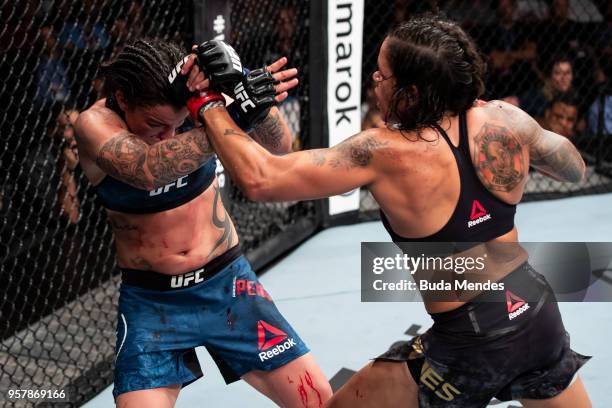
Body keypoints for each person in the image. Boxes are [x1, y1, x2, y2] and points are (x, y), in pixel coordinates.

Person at [198, 16, 592, 407]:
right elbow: (574, 169)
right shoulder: (504, 119)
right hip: (536, 311)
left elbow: (260, 178)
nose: (375, 79)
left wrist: (209, 104)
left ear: (412, 91)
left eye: (383, 75)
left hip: (470, 340)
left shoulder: (384, 151)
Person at [74, 38, 331, 407]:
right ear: (124, 99)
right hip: (153, 303)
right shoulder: (94, 125)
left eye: (177, 126)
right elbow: (149, 168)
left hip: (228, 286)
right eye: (154, 124)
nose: (167, 134)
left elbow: (279, 146)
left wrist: (238, 85)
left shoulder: (199, 103)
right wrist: (226, 118)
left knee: (317, 399)